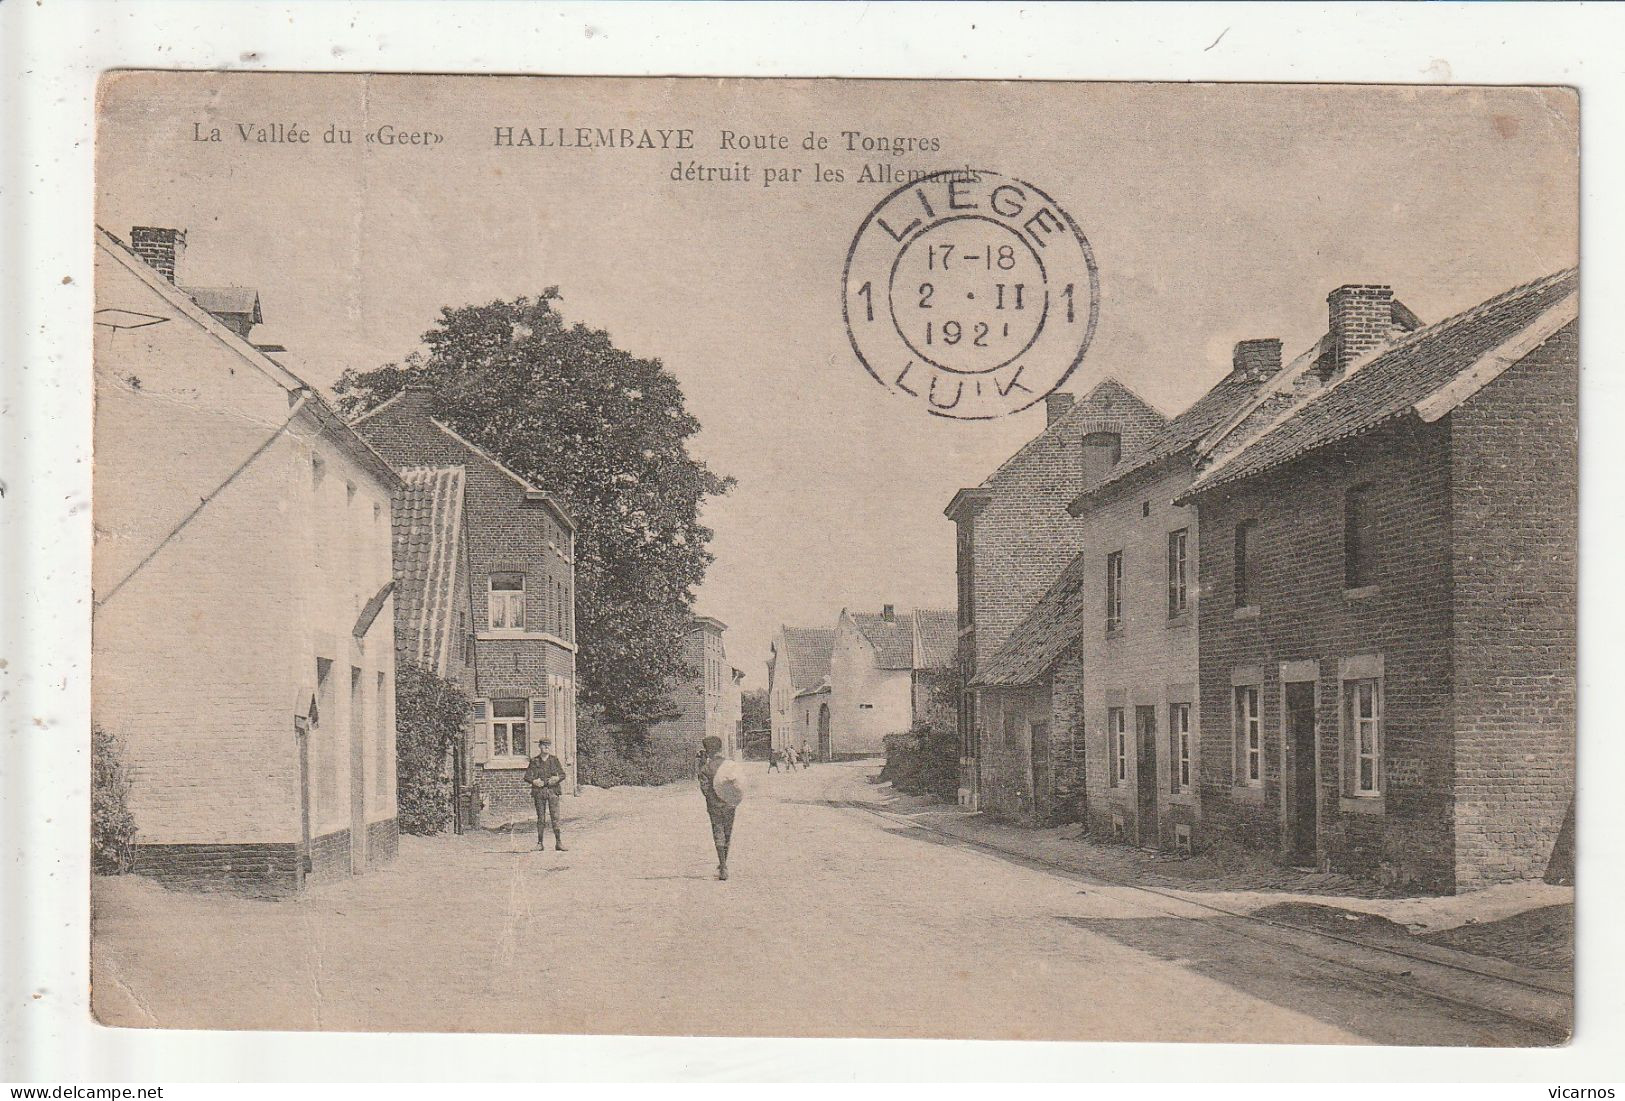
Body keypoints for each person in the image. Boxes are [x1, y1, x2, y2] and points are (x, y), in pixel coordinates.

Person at [697, 735, 740, 880]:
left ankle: (722, 866)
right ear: (720, 749)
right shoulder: (729, 764)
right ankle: (723, 864)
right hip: (729, 804)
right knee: (727, 833)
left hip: (714, 805)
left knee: (718, 832)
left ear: (708, 751)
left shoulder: (706, 768)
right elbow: (737, 784)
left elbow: (705, 790)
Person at [524, 736, 567, 851]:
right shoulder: (534, 761)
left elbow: (563, 774)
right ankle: (540, 843)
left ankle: (558, 842)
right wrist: (534, 781)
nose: (546, 747)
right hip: (539, 792)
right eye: (544, 745)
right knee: (541, 818)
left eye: (548, 745)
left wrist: (557, 779)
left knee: (555, 817)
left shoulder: (554, 760)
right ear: (540, 746)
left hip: (553, 791)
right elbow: (527, 776)